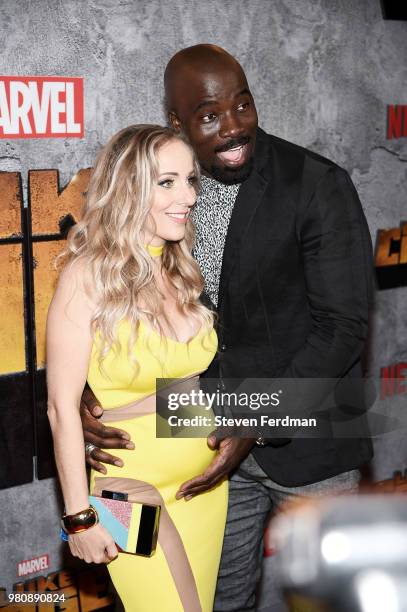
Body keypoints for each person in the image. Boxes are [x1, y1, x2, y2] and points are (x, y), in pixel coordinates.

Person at [80, 46, 374, 611]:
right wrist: (95, 400)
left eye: (244, 105)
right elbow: (130, 308)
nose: (234, 125)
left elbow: (341, 329)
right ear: (178, 122)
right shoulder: (166, 196)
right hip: (201, 447)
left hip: (311, 447)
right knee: (209, 601)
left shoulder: (316, 185)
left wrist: (253, 419)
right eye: (210, 115)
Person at [46, 124, 228, 612]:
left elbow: (191, 387)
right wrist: (79, 518)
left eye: (190, 180)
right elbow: (63, 409)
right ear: (128, 189)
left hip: (206, 488)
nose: (187, 195)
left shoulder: (183, 266)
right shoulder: (88, 276)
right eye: (167, 182)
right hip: (128, 491)